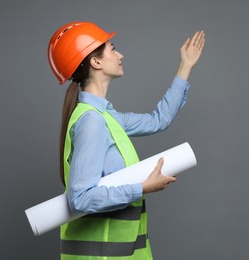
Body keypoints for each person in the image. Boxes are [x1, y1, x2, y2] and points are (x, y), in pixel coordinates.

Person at [48, 21, 205, 259]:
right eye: (112, 48)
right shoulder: (92, 121)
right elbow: (80, 198)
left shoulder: (106, 116)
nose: (120, 54)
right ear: (96, 61)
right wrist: (142, 188)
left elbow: (158, 120)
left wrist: (185, 66)